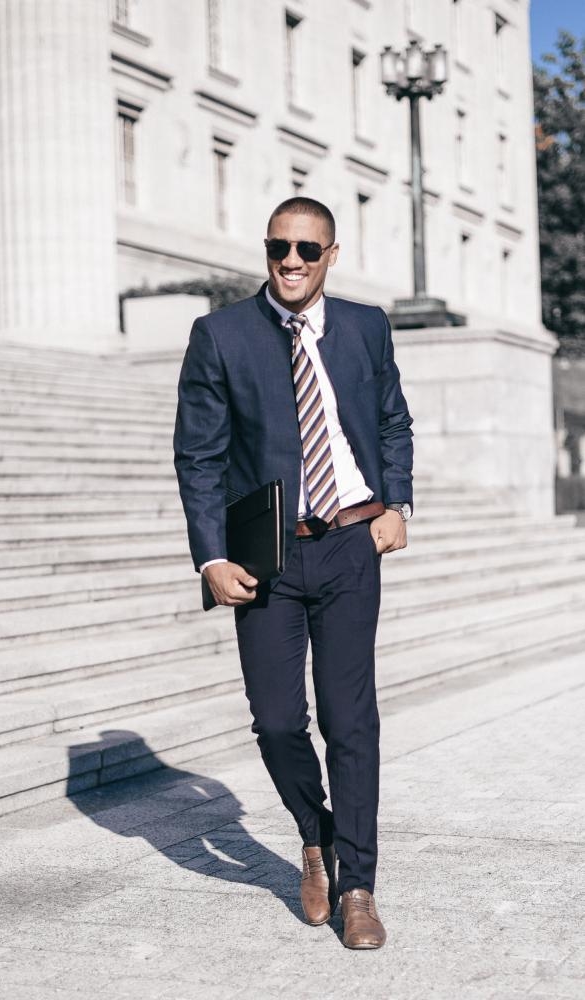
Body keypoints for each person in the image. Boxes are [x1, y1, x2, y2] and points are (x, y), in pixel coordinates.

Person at [173, 196, 413, 950]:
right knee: (277, 720)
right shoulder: (221, 335)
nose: (292, 261)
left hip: (350, 543)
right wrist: (211, 556)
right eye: (279, 246)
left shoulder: (367, 326)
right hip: (265, 558)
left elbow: (392, 420)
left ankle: (358, 887)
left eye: (308, 249)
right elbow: (198, 457)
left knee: (350, 720)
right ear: (267, 250)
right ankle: (317, 834)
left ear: (331, 255)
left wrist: (397, 503)